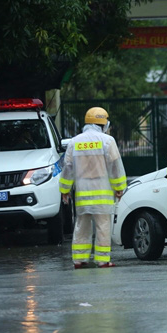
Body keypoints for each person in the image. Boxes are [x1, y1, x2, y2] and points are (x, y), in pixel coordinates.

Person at [59, 107, 127, 269]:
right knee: (103, 227)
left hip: (82, 195)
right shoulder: (107, 141)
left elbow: (67, 168)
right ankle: (102, 261)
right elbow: (115, 167)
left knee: (81, 226)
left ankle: (79, 260)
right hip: (102, 196)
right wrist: (119, 188)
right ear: (103, 124)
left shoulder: (75, 142)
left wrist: (64, 189)